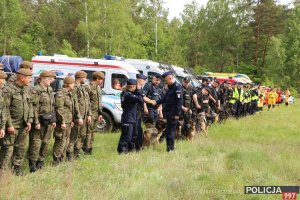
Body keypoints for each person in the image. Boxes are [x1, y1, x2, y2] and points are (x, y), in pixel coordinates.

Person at [0, 68, 33, 176]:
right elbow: (5, 108)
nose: (30, 80)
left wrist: (29, 120)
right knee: (8, 149)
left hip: (23, 126)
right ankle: (3, 171)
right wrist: (9, 125)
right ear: (22, 78)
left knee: (21, 148)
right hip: (13, 125)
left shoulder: (27, 89)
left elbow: (30, 105)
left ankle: (17, 169)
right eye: (28, 78)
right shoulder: (9, 89)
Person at [28, 71, 56, 172]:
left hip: (48, 121)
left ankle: (41, 162)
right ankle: (33, 165)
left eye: (50, 79)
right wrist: (36, 122)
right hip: (39, 121)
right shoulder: (36, 90)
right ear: (42, 79)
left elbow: (52, 106)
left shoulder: (50, 89)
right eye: (48, 79)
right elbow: (33, 107)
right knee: (36, 143)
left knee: (45, 142)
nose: (50, 81)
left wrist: (53, 120)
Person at [53, 76, 80, 165]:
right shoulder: (61, 94)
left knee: (66, 140)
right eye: (73, 84)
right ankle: (56, 160)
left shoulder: (69, 94)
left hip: (68, 122)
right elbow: (59, 109)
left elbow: (70, 108)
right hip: (62, 122)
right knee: (60, 140)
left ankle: (61, 158)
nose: (74, 85)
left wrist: (71, 120)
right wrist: (62, 122)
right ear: (68, 84)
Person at [154, 71, 183, 152]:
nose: (165, 82)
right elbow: (164, 99)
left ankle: (170, 149)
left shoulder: (177, 87)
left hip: (173, 114)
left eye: (166, 80)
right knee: (168, 131)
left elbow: (179, 102)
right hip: (168, 113)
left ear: (170, 78)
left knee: (170, 132)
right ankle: (168, 148)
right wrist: (156, 102)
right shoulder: (170, 87)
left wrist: (177, 113)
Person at [67, 71, 90, 160]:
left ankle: (77, 153)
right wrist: (78, 117)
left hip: (84, 116)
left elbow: (87, 102)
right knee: (73, 136)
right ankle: (69, 154)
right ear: (80, 77)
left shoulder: (83, 88)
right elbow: (75, 104)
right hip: (77, 117)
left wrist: (89, 114)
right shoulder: (75, 88)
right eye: (85, 77)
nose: (86, 79)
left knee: (82, 135)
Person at [117, 79, 143, 154]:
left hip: (132, 118)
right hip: (128, 118)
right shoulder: (127, 94)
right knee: (127, 136)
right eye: (135, 87)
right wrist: (139, 90)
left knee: (133, 135)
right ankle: (122, 151)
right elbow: (140, 99)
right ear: (132, 86)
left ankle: (130, 150)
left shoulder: (127, 93)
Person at [84, 71, 105, 155]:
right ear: (97, 79)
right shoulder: (88, 87)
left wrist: (100, 114)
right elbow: (87, 102)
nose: (102, 81)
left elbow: (99, 102)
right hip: (90, 113)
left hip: (97, 113)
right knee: (88, 132)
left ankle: (90, 148)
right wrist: (89, 114)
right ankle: (86, 148)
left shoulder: (98, 88)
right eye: (101, 79)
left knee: (93, 132)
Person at [135, 73, 147, 151]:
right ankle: (136, 147)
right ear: (139, 80)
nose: (145, 82)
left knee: (139, 129)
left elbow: (143, 100)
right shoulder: (135, 88)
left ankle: (139, 146)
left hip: (139, 112)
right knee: (136, 130)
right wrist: (153, 102)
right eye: (144, 81)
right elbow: (143, 98)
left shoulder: (140, 88)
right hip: (135, 112)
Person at [0, 71, 7, 140]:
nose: (4, 82)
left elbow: (3, 111)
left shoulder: (2, 92)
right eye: (3, 79)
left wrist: (2, 127)